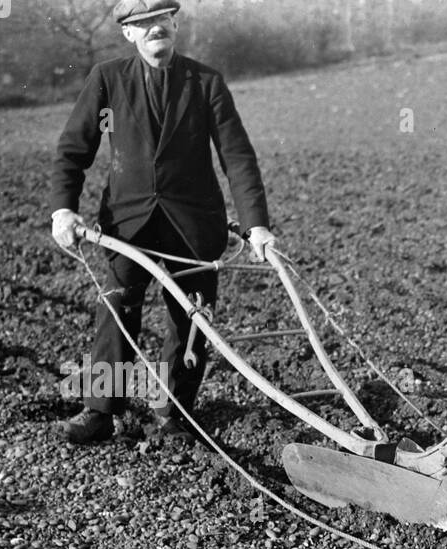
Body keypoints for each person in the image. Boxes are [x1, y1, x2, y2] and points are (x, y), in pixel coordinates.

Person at [49, 0, 276, 444]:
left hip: (193, 226)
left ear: (175, 23)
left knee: (191, 320)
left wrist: (257, 225)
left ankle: (174, 414)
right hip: (128, 225)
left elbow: (237, 156)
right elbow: (73, 150)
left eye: (161, 19)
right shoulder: (108, 79)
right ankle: (99, 411)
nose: (155, 28)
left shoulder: (205, 81)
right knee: (115, 309)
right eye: (142, 23)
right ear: (128, 34)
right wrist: (63, 209)